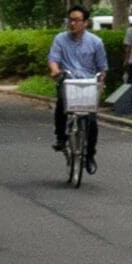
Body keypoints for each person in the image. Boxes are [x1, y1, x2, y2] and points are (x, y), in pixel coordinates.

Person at [47, 10, 106, 158]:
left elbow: (102, 67)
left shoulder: (96, 42)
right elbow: (54, 58)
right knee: (61, 105)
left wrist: (101, 83)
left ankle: (90, 153)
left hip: (88, 84)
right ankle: (61, 138)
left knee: (91, 119)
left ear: (85, 23)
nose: (73, 23)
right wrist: (55, 70)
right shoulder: (60, 39)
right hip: (68, 81)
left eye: (77, 20)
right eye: (70, 20)